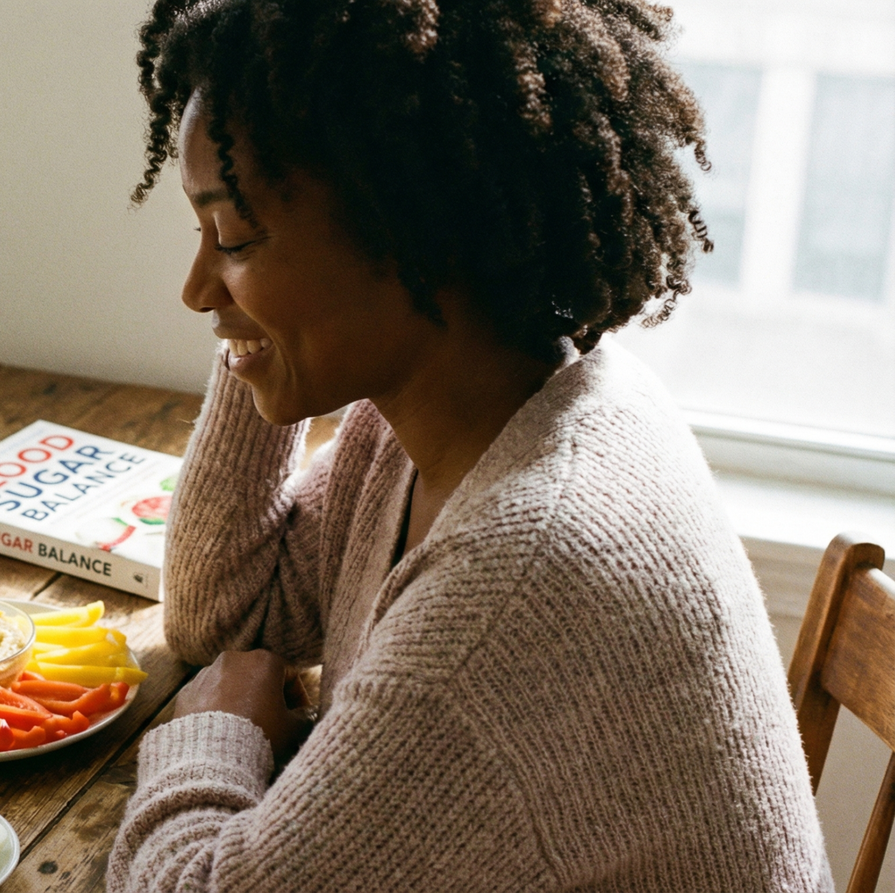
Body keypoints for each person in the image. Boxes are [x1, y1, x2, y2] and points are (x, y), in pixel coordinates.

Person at [108, 1, 831, 891]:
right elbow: (229, 613)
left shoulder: (515, 583)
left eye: (236, 234)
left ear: (408, 224)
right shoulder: (460, 410)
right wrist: (252, 332)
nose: (193, 288)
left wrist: (213, 732)